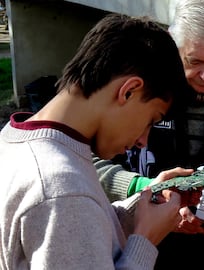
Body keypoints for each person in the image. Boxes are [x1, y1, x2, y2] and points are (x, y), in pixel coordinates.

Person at [0, 13, 191, 269]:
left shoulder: (17, 140)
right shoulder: (61, 188)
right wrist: (145, 241)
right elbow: (69, 210)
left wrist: (142, 204)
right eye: (150, 120)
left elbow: (81, 233)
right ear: (129, 90)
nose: (143, 141)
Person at [95, 0, 204, 269]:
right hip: (136, 245)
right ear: (173, 45)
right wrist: (142, 189)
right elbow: (88, 164)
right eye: (195, 60)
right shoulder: (140, 86)